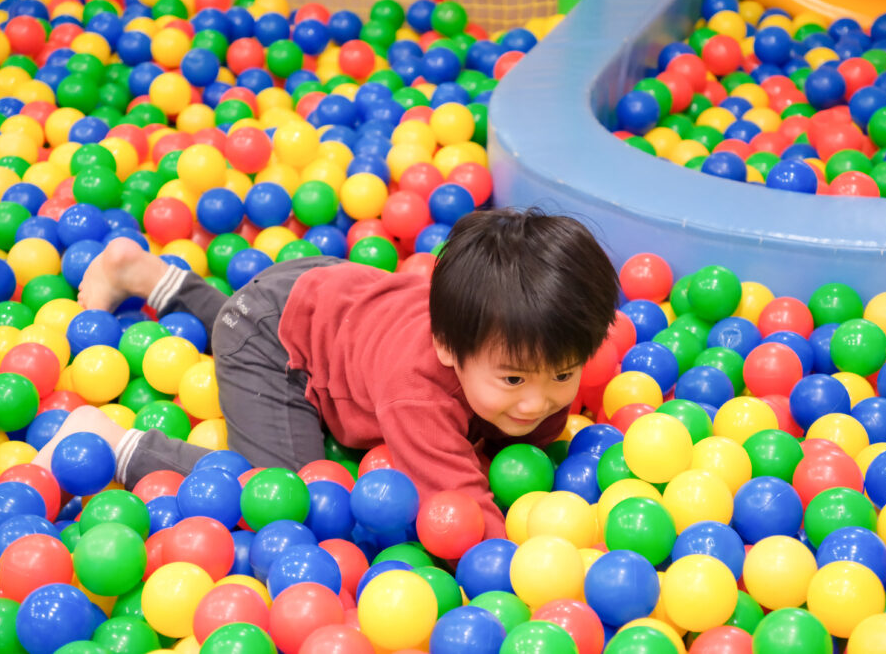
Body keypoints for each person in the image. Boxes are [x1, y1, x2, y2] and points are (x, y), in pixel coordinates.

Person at [33, 207, 620, 538]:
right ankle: (111, 440)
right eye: (514, 381)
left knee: (272, 314)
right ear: (448, 348)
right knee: (287, 493)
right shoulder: (416, 394)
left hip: (330, 293)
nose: (539, 402)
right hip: (276, 336)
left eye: (565, 375)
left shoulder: (527, 348)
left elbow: (536, 401)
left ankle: (148, 276)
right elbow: (461, 516)